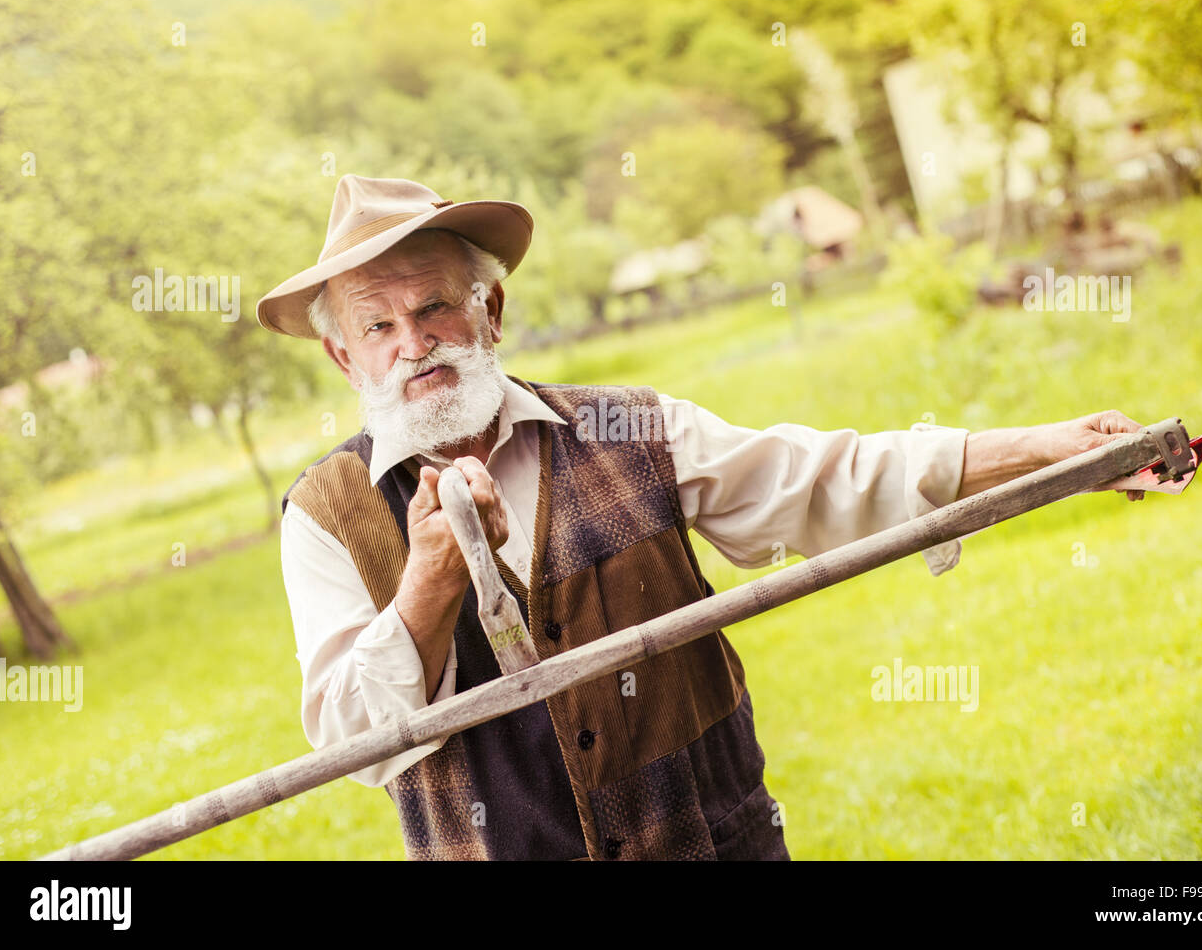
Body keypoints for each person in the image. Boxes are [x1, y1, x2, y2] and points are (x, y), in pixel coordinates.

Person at [255, 174, 1146, 860]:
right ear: (344, 357)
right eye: (378, 328)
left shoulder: (627, 427)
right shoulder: (325, 516)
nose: (413, 346)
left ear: (490, 311)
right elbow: (348, 739)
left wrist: (1053, 451)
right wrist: (427, 587)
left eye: (435, 307)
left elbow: (823, 478)